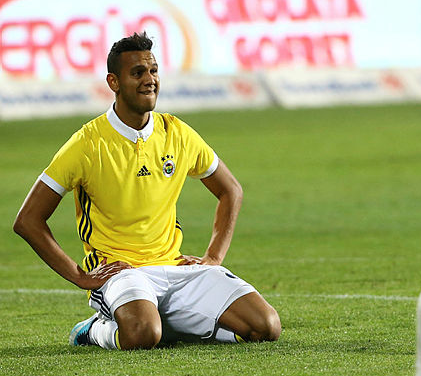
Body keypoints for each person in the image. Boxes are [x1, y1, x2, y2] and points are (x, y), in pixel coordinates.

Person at [13, 32, 281, 350]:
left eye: (153, 71)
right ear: (113, 82)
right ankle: (92, 330)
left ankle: (167, 325)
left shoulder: (177, 133)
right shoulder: (87, 143)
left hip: (176, 267)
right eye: (137, 72)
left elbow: (230, 190)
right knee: (141, 334)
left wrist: (213, 257)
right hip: (121, 272)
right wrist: (80, 276)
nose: (149, 80)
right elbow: (28, 220)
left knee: (266, 326)